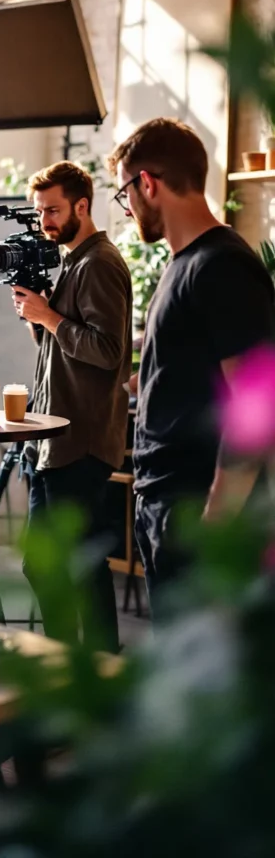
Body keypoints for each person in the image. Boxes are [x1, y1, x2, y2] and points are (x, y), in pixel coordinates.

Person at [109, 117, 275, 617]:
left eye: (125, 195)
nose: (129, 208)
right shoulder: (183, 263)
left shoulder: (221, 266)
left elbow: (256, 405)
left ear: (147, 183)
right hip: (164, 505)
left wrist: (216, 522)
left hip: (197, 510)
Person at [11, 161, 132, 653]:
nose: (45, 221)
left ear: (83, 205)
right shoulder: (71, 261)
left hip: (79, 441)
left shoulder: (99, 262)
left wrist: (50, 317)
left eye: (54, 210)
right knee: (58, 563)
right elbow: (60, 346)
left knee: (75, 562)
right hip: (53, 438)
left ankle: (94, 663)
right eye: (41, 211)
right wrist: (36, 318)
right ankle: (74, 660)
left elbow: (108, 352)